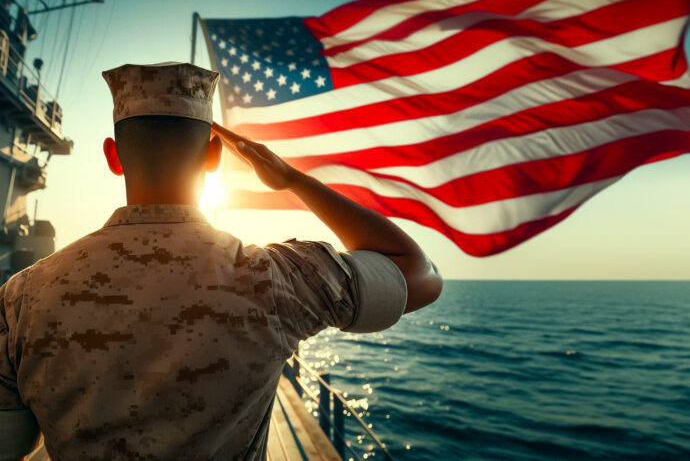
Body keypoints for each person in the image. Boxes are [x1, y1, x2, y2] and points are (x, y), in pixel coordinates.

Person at [0, 62, 442, 459]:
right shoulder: (275, 277)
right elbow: (417, 274)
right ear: (213, 157)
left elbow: (11, 443)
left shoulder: (22, 297)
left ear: (113, 157)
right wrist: (292, 180)